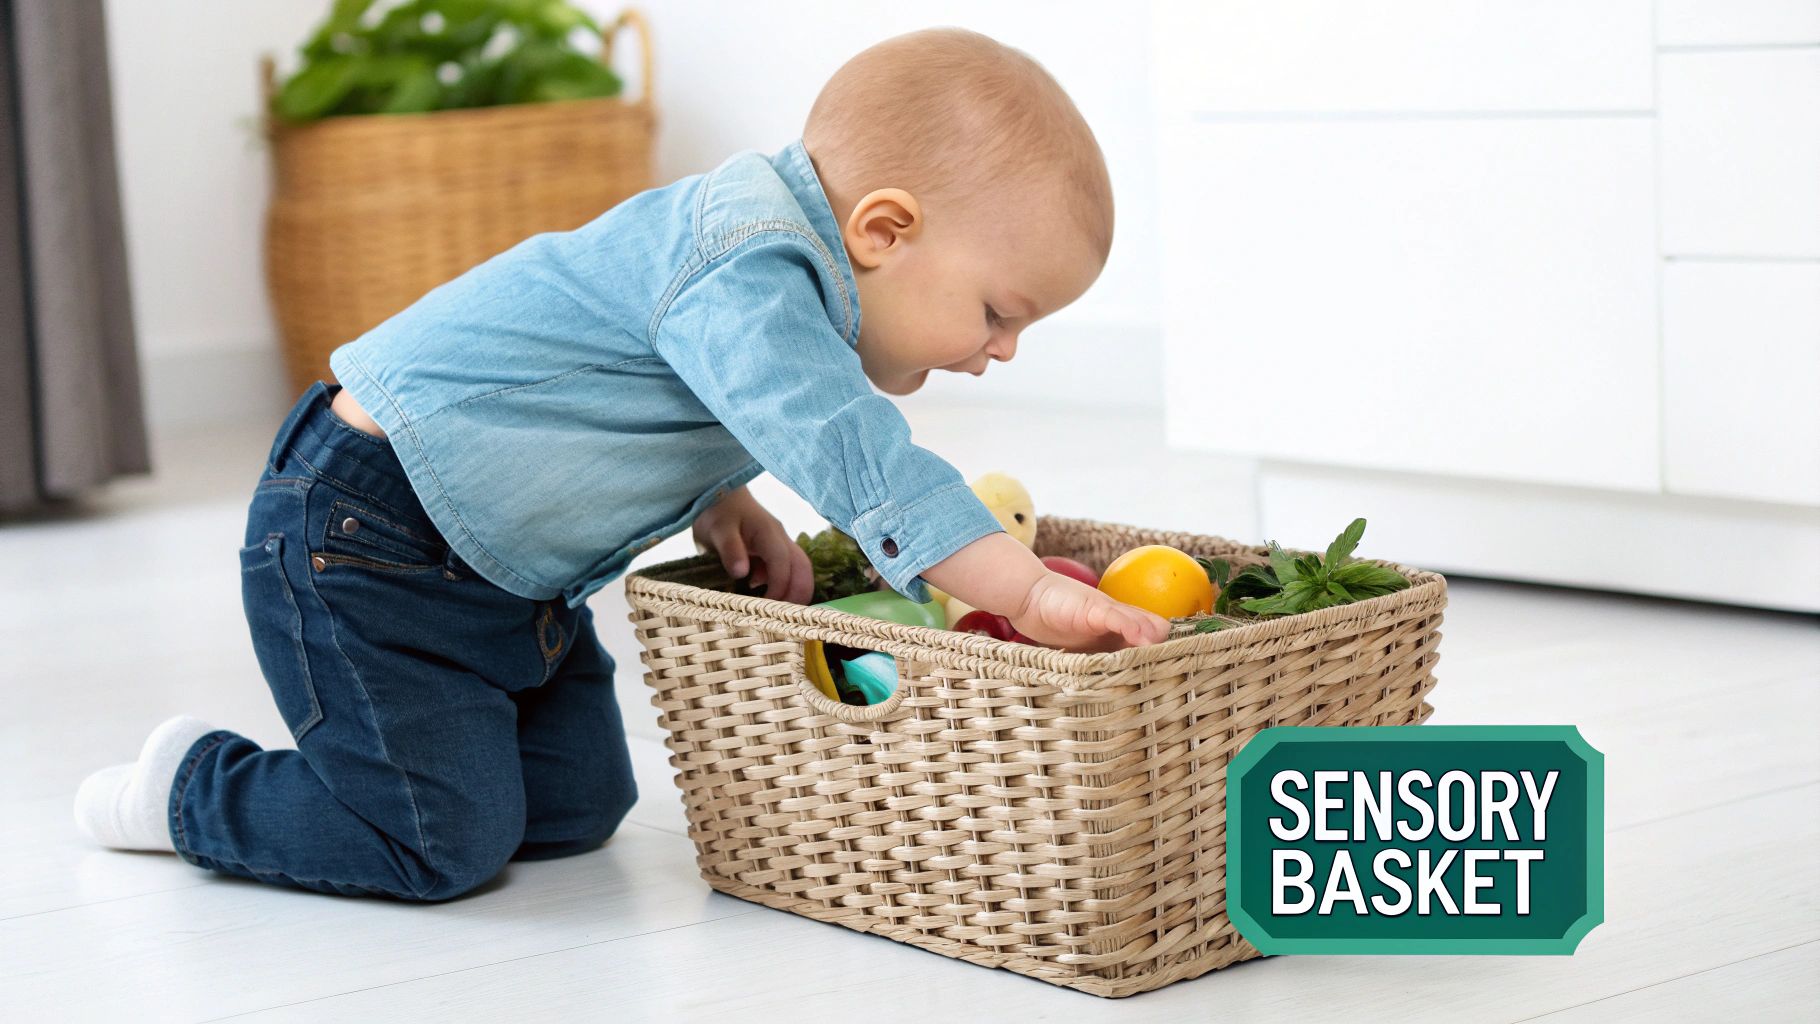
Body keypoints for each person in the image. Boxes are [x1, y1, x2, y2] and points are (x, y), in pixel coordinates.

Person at [73, 27, 1170, 900]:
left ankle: (417, 743)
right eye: (994, 312)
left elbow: (655, 380)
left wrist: (721, 492)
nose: (1001, 350)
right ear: (883, 230)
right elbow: (852, 451)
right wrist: (1019, 588)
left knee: (575, 803)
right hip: (370, 536)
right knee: (437, 841)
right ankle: (193, 788)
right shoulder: (746, 265)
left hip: (507, 578)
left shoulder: (779, 278)